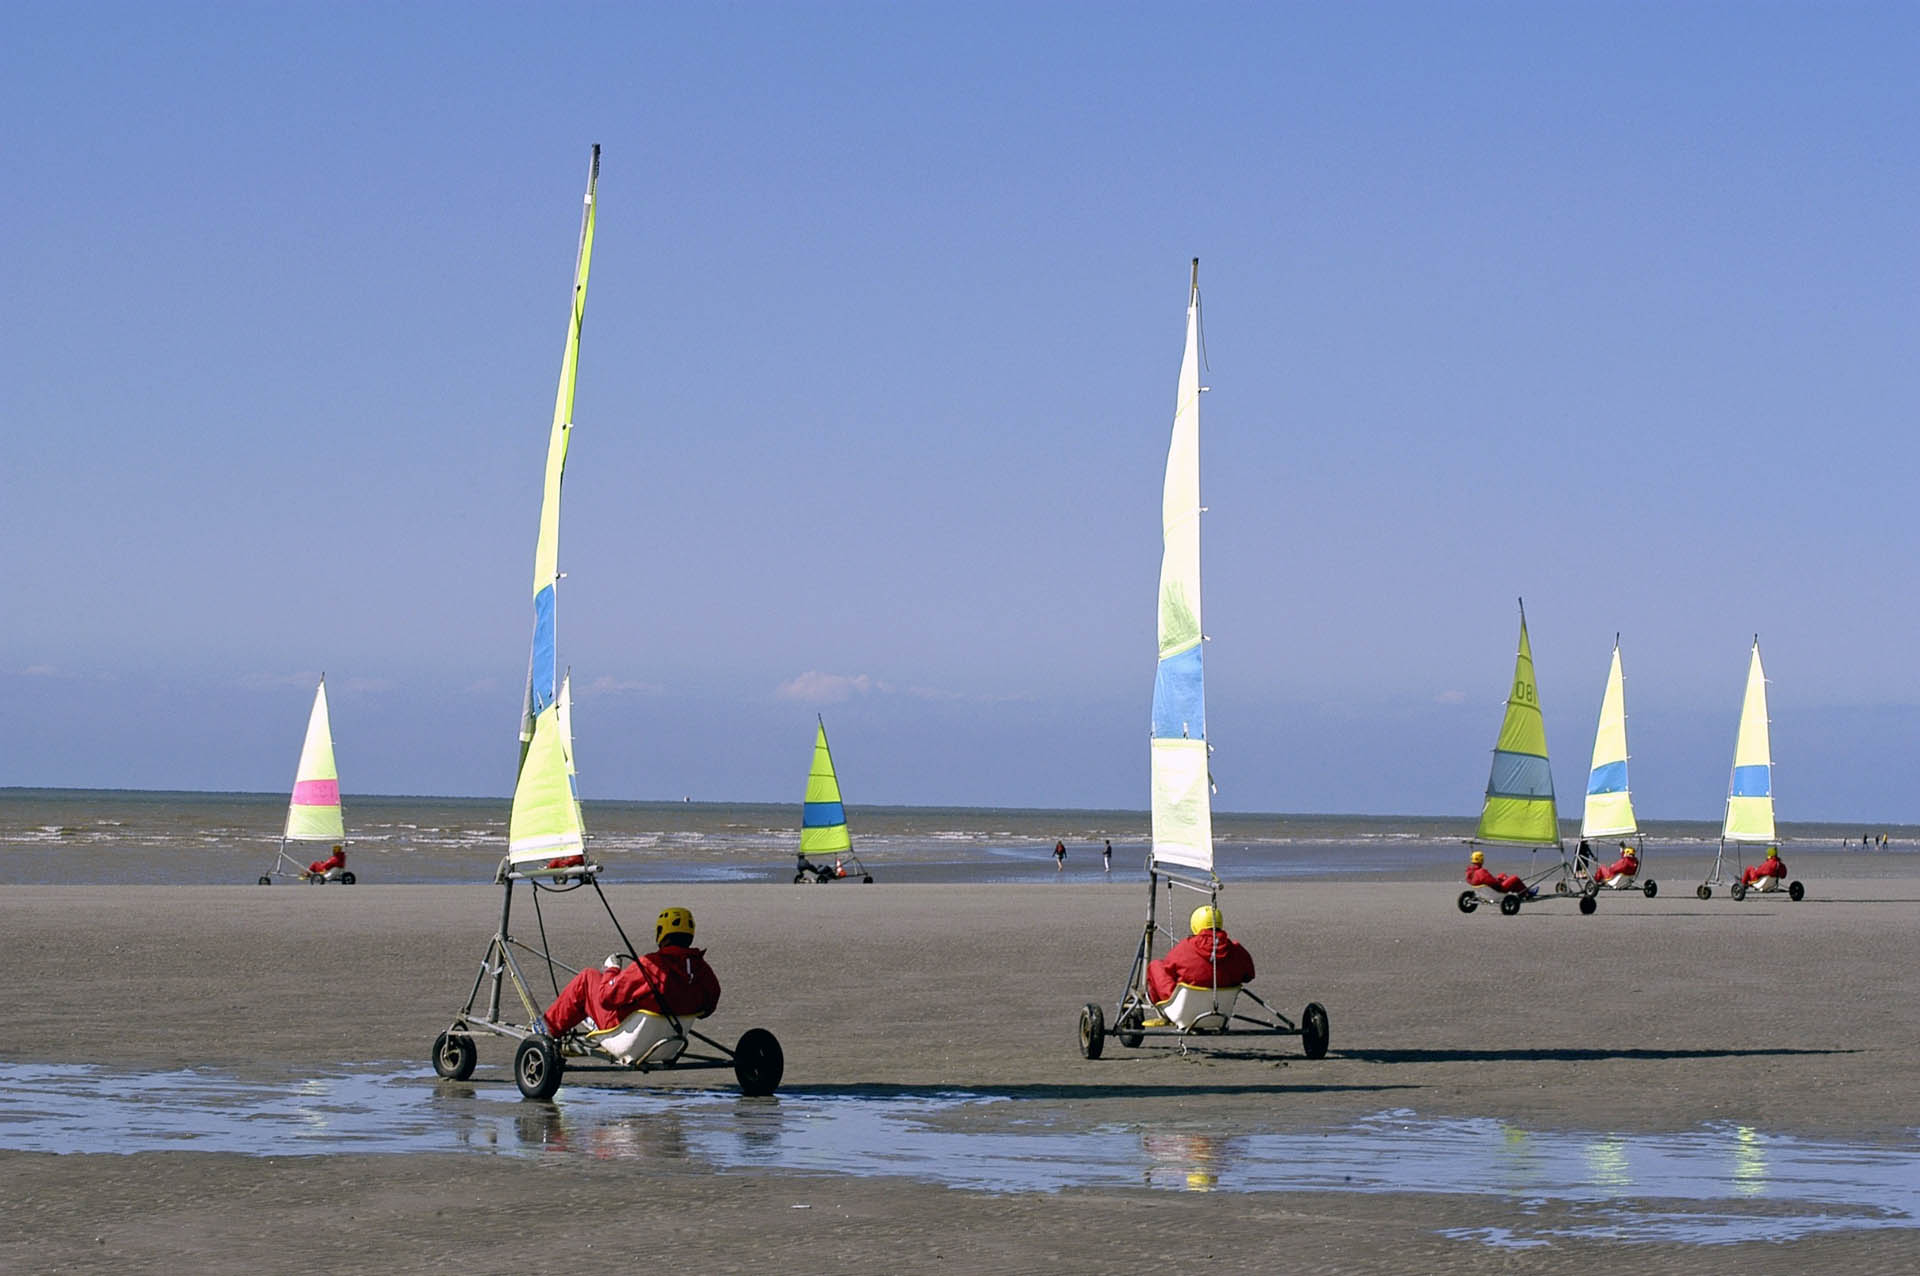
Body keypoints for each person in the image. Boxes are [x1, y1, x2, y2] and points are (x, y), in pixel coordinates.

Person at [537, 906, 721, 1037]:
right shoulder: (702, 968)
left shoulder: (651, 965)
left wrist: (612, 969)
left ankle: (546, 1030)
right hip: (672, 1034)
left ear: (661, 933)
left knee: (588, 978)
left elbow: (606, 997)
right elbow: (708, 1009)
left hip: (625, 1032)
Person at [1147, 905, 1256, 1004]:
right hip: (1222, 1007)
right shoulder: (1236, 949)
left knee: (1155, 965)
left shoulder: (1186, 947)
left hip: (1185, 1008)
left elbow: (1168, 968)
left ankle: (1164, 1005)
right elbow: (1249, 975)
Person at [1464, 849, 1532, 897]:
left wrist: (1499, 879)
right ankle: (1527, 893)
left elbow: (1474, 880)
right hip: (1498, 890)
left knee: (1502, 875)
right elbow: (1493, 883)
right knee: (1515, 878)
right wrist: (1498, 881)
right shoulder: (1481, 871)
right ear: (1481, 860)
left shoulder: (1469, 871)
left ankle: (1517, 889)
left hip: (1485, 889)